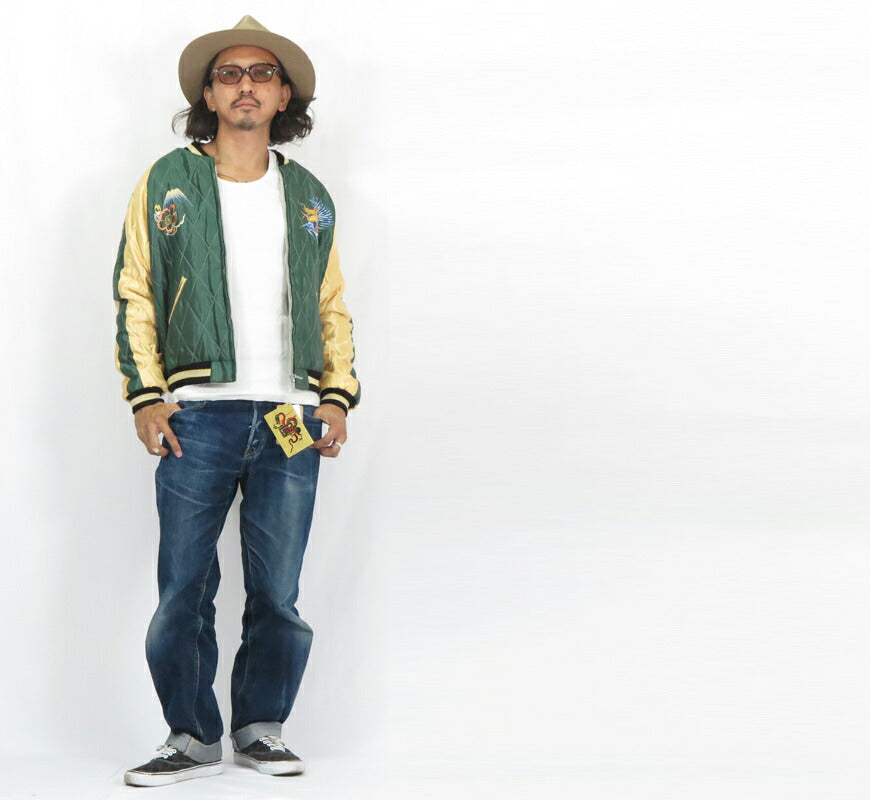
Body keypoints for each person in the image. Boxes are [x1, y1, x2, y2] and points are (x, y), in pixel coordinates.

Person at [112, 15, 360, 787]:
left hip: (289, 414)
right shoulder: (168, 182)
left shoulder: (309, 195)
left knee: (277, 590)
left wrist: (336, 397)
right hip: (199, 413)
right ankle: (190, 737)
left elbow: (330, 305)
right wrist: (146, 395)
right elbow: (135, 291)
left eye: (261, 73)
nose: (246, 85)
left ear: (284, 95)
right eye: (230, 73)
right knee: (184, 588)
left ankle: (260, 730)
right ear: (209, 95)